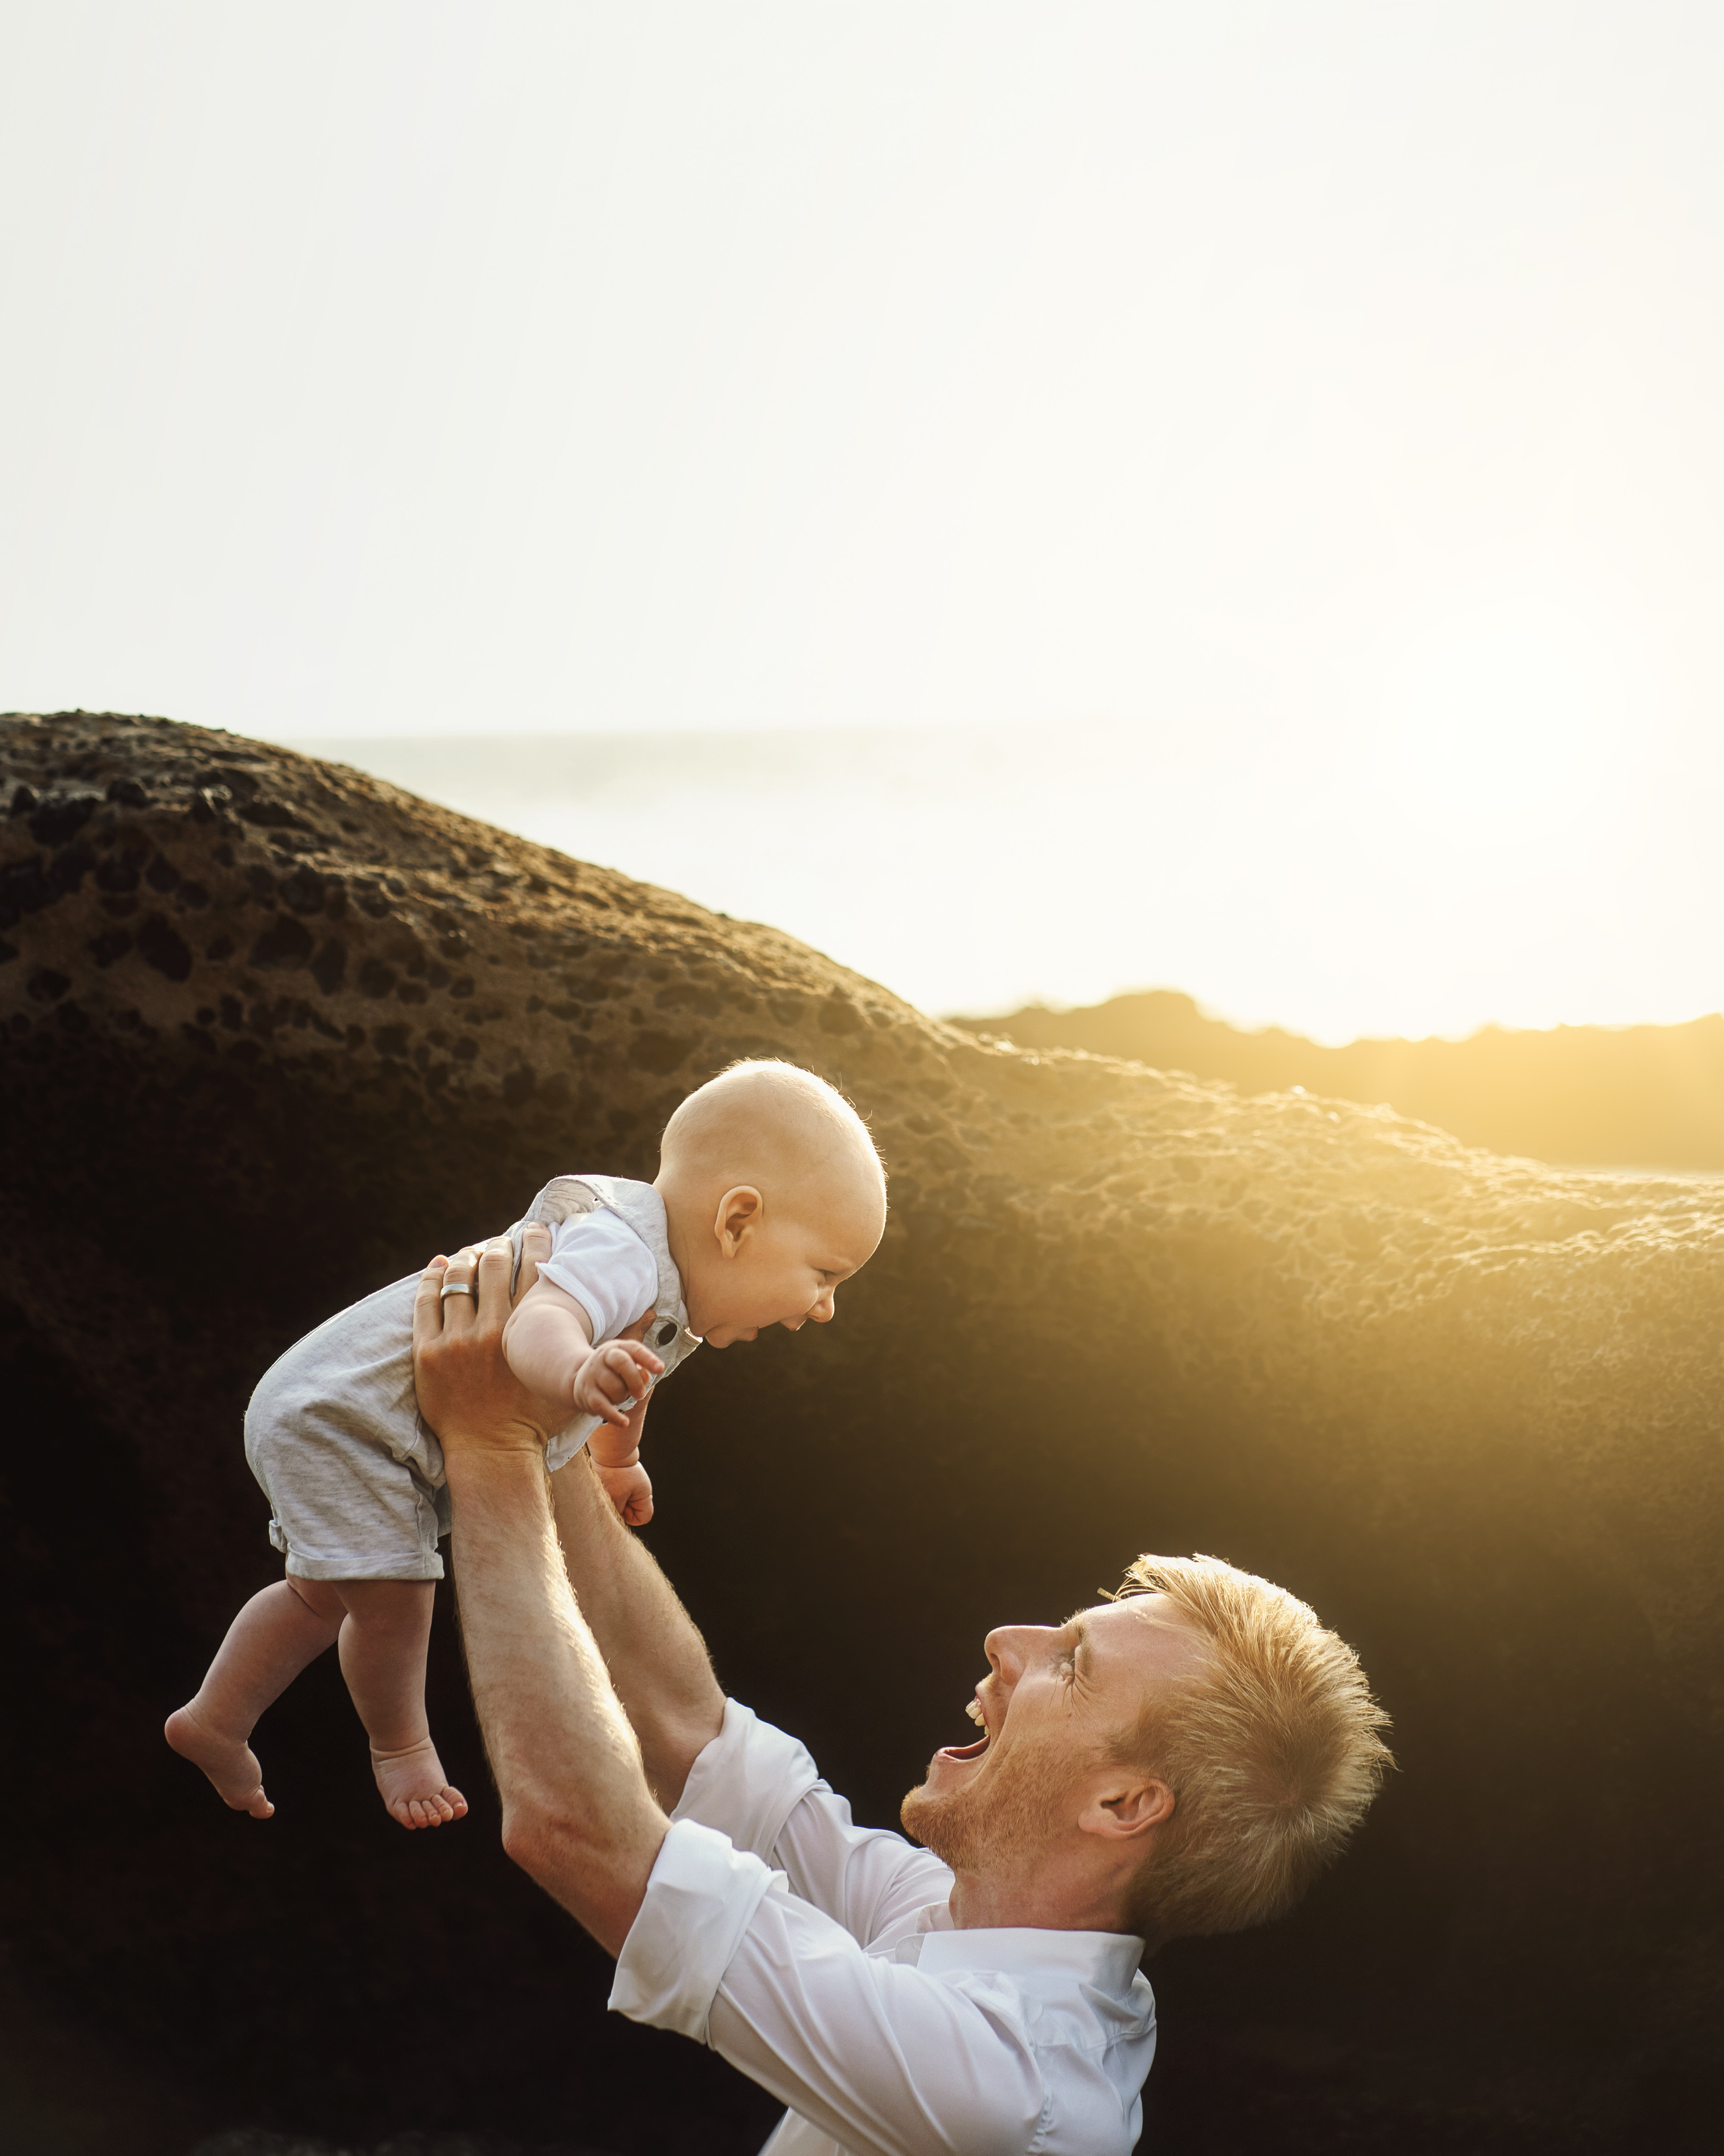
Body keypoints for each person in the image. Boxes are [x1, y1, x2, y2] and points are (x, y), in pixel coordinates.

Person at [419, 1228, 1393, 2156]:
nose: (1006, 1640)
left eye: (1072, 1665)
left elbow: (579, 1829)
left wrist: (490, 1443)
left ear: (1123, 1803)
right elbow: (685, 1735)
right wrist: (553, 1434)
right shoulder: (957, 1913)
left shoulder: (1011, 2089)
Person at [165, 1060, 888, 1830]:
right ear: (737, 1221)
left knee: (321, 1596)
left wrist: (616, 1458)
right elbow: (538, 1323)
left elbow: (634, 1375)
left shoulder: (659, 1277)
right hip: (345, 1419)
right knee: (396, 1597)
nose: (824, 1308)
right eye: (825, 1273)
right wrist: (576, 1369)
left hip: (328, 1409)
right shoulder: (621, 1252)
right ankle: (400, 1747)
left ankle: (216, 1717)